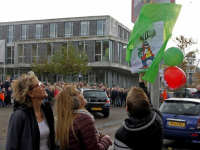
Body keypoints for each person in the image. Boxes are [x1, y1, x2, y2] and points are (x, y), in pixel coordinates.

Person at [5, 71, 56, 150]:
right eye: (39, 84)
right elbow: (11, 146)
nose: (43, 85)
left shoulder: (46, 111)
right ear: (30, 93)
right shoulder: (19, 115)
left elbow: (52, 141)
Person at [55, 85, 112, 150]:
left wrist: (99, 136)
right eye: (79, 93)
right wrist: (106, 139)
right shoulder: (84, 118)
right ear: (76, 100)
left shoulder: (66, 118)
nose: (82, 93)